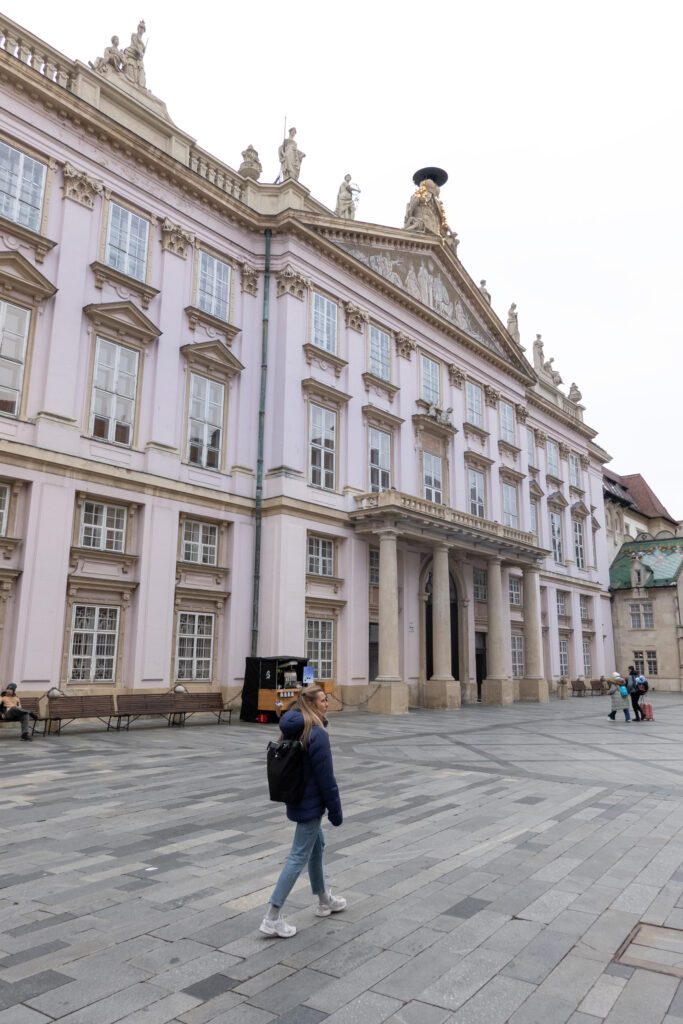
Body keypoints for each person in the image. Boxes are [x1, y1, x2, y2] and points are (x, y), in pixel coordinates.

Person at [260, 685, 345, 938]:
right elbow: (326, 777)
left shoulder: (292, 727)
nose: (326, 704)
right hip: (310, 803)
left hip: (296, 797)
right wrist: (335, 810)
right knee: (298, 856)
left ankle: (323, 900)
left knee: (316, 848)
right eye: (322, 700)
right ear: (311, 704)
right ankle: (272, 916)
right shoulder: (316, 733)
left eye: (326, 699)